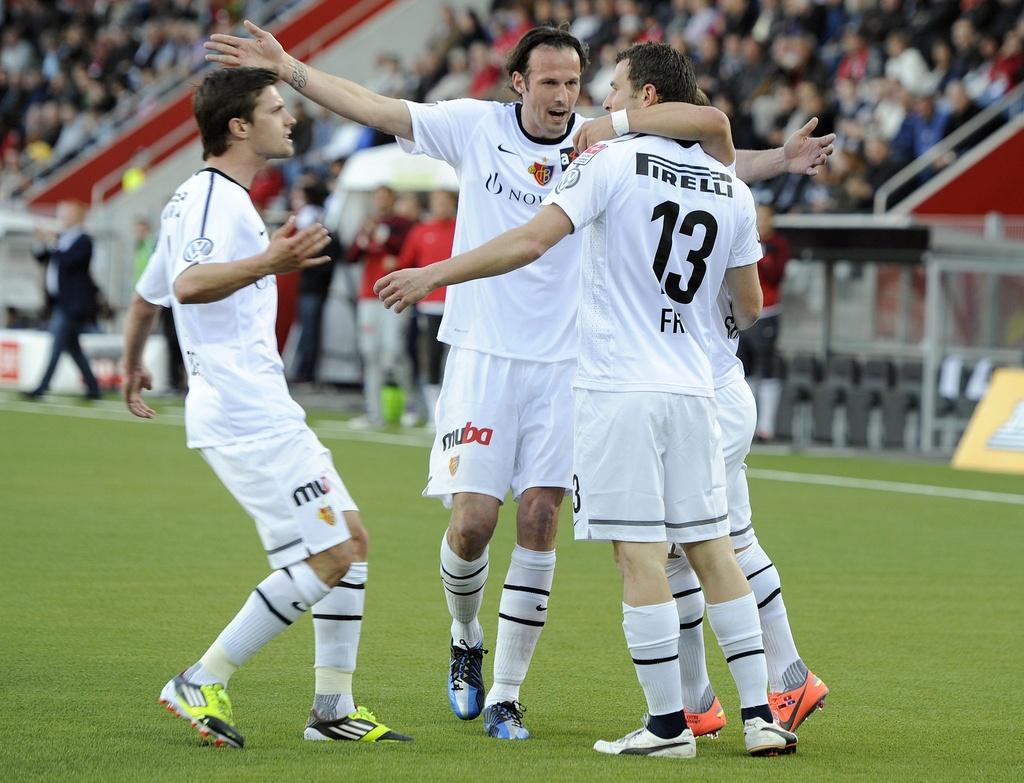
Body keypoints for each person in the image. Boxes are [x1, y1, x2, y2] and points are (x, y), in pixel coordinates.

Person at [206, 20, 833, 741]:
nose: (566, 97)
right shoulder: (476, 128)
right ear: (518, 83)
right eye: (551, 82)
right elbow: (376, 108)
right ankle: (466, 632)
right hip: (484, 353)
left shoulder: (604, 142)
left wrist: (780, 159)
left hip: (576, 365)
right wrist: (291, 68)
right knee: (473, 525)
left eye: (576, 81)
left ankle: (507, 692)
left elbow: (703, 151)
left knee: (541, 517)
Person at [376, 42, 798, 759]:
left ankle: (668, 726)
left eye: (611, 91)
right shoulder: (730, 189)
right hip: (698, 385)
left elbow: (536, 239)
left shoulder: (611, 163)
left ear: (645, 102)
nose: (598, 104)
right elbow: (751, 305)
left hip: (616, 385)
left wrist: (437, 273)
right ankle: (762, 714)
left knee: (637, 554)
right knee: (713, 549)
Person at [121, 66, 410, 748]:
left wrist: (133, 359)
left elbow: (147, 296)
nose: (291, 118)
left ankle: (332, 709)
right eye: (277, 109)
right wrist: (267, 263)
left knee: (353, 542)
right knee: (334, 549)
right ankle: (200, 677)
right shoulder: (212, 202)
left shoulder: (208, 200)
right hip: (243, 412)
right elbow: (189, 285)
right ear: (239, 126)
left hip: (263, 405)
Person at [345, 185, 414, 427]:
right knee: (369, 352)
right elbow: (351, 256)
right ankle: (374, 412)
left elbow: (404, 251)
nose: (380, 201)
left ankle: (411, 405)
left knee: (393, 352)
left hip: (394, 294)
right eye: (377, 197)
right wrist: (364, 238)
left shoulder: (401, 224)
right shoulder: (368, 223)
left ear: (392, 200)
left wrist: (383, 240)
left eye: (385, 197)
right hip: (368, 295)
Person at [24, 200, 102, 400]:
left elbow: (69, 262)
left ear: (77, 217)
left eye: (67, 214)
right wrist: (41, 240)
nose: (62, 217)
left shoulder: (84, 240)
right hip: (59, 303)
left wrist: (53, 242)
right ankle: (93, 388)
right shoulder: (63, 239)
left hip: (73, 304)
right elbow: (41, 257)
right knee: (72, 348)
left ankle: (42, 386)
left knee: (57, 344)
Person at [397, 188, 457, 426]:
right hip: (429, 306)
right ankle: (434, 413)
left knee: (454, 359)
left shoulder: (461, 228)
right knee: (430, 358)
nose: (441, 205)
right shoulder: (420, 231)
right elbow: (405, 262)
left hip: (457, 303)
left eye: (445, 201)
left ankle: (452, 411)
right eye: (437, 201)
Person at [737, 203, 790, 442]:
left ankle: (766, 426)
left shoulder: (778, 245)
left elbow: (775, 275)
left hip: (767, 311)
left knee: (767, 367)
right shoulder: (741, 238)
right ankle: (745, 424)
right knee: (742, 368)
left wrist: (756, 254)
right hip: (741, 312)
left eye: (765, 218)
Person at [291, 178, 339, 384]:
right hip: (313, 286)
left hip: (313, 286)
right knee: (308, 329)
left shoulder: (314, 222)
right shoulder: (322, 222)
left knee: (309, 330)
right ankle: (304, 370)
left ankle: (306, 373)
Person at [132, 216, 185, 393]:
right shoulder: (141, 245)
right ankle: (175, 381)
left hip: (163, 295)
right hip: (156, 294)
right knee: (170, 338)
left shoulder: (156, 241)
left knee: (177, 338)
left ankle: (180, 381)